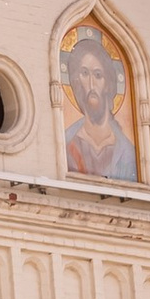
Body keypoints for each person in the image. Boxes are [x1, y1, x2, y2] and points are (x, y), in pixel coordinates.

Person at [61, 24, 138, 184]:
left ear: (108, 83)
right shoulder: (68, 141)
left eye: (98, 75)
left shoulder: (127, 151)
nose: (91, 83)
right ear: (76, 81)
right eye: (84, 73)